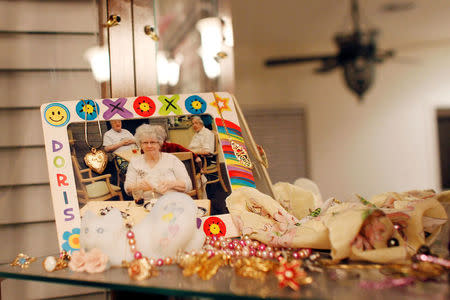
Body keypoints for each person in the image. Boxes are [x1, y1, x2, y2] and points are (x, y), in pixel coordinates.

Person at [124, 124, 192, 200]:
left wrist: (171, 184)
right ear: (140, 145)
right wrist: (138, 186)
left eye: (153, 142)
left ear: (159, 144)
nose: (149, 146)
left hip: (172, 202)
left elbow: (188, 185)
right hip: (145, 204)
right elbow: (127, 189)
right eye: (145, 143)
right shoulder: (135, 162)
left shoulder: (172, 160)